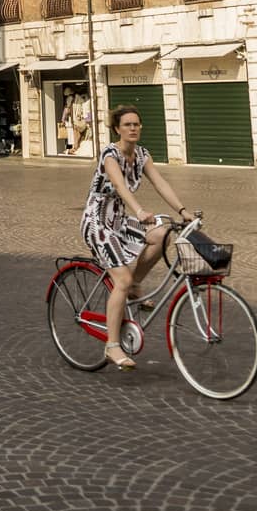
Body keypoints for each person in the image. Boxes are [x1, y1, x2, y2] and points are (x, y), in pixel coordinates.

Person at [81, 103, 195, 370]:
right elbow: (120, 186)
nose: (133, 128)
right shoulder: (110, 154)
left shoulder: (142, 155)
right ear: (117, 129)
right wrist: (140, 210)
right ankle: (112, 346)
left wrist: (182, 210)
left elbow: (159, 182)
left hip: (120, 220)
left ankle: (135, 285)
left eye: (136, 124)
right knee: (120, 278)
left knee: (163, 233)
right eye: (127, 124)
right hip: (98, 223)